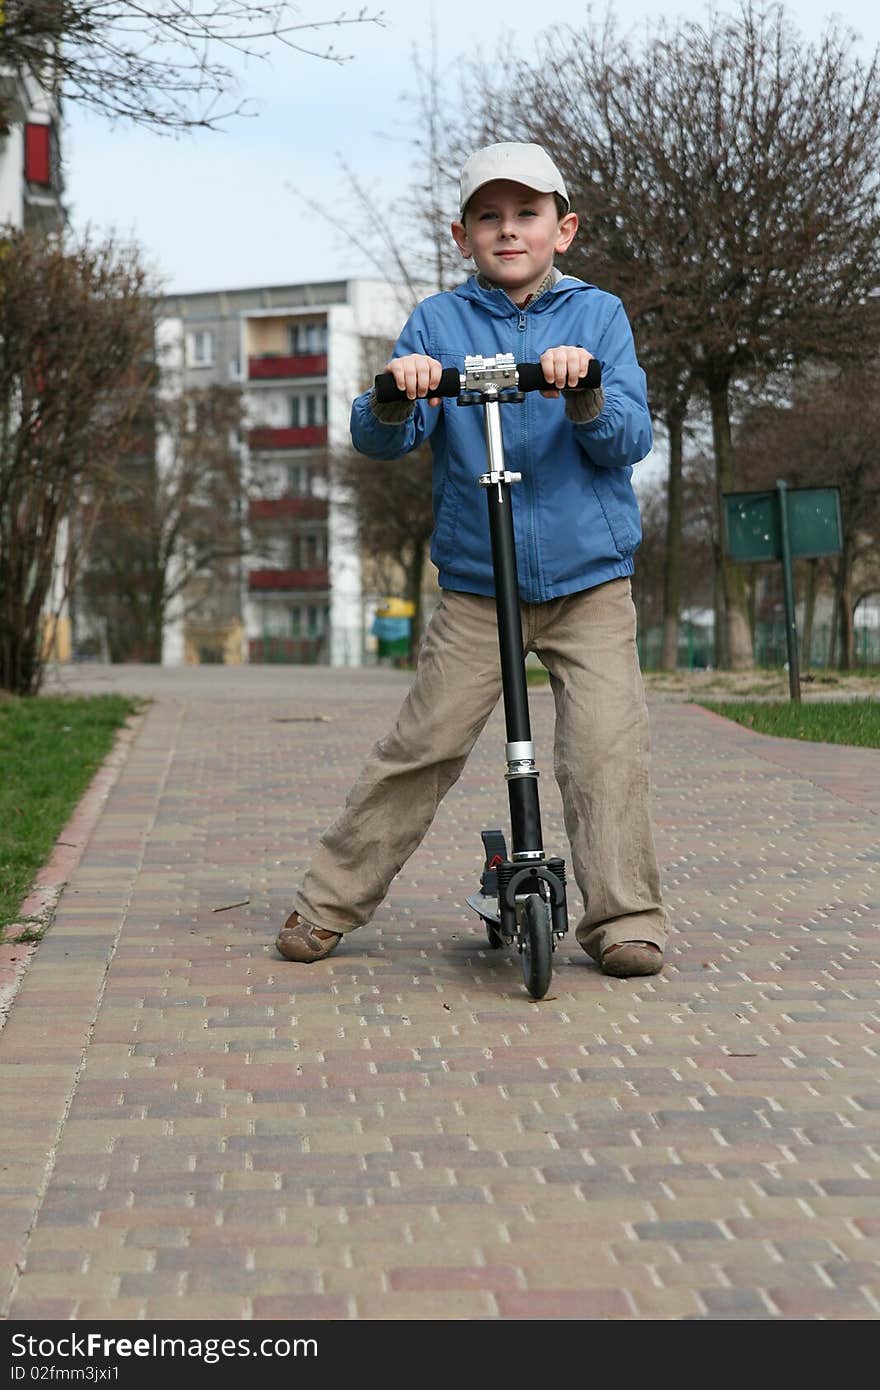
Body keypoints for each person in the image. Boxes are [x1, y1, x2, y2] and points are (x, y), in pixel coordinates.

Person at [277, 141, 667, 978]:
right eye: (489, 217)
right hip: (477, 588)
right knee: (422, 746)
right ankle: (326, 903)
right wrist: (396, 389)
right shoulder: (439, 323)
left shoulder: (599, 317)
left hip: (588, 581)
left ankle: (625, 919)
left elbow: (629, 437)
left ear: (563, 229)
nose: (508, 230)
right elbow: (380, 437)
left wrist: (586, 390)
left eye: (526, 214)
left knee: (604, 752)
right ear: (463, 236)